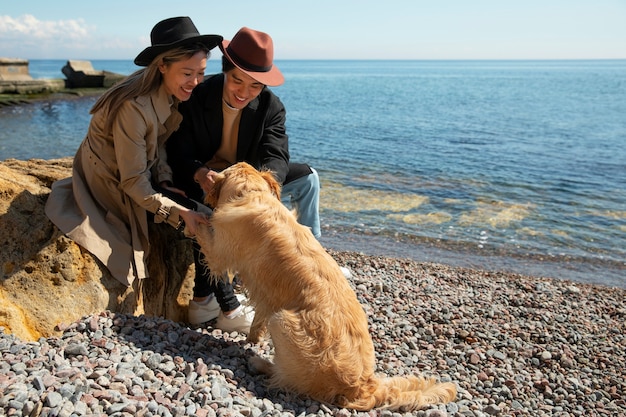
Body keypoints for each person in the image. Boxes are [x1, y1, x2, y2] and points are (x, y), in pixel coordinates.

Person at [44, 17, 229, 316]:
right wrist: (176, 211)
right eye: (187, 73)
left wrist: (166, 180)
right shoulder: (134, 107)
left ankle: (215, 305)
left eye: (200, 73)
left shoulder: (168, 92)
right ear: (162, 66)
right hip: (109, 177)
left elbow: (160, 146)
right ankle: (221, 308)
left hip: (141, 170)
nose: (195, 82)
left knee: (209, 208)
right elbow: (132, 181)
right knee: (204, 218)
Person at [166, 27, 323, 328]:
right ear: (224, 71)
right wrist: (199, 172)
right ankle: (224, 306)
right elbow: (177, 151)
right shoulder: (196, 97)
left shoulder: (271, 106)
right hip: (204, 177)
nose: (243, 92)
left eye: (254, 86)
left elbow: (277, 154)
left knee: (309, 178)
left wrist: (260, 186)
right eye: (236, 80)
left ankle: (312, 257)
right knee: (211, 212)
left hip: (249, 178)